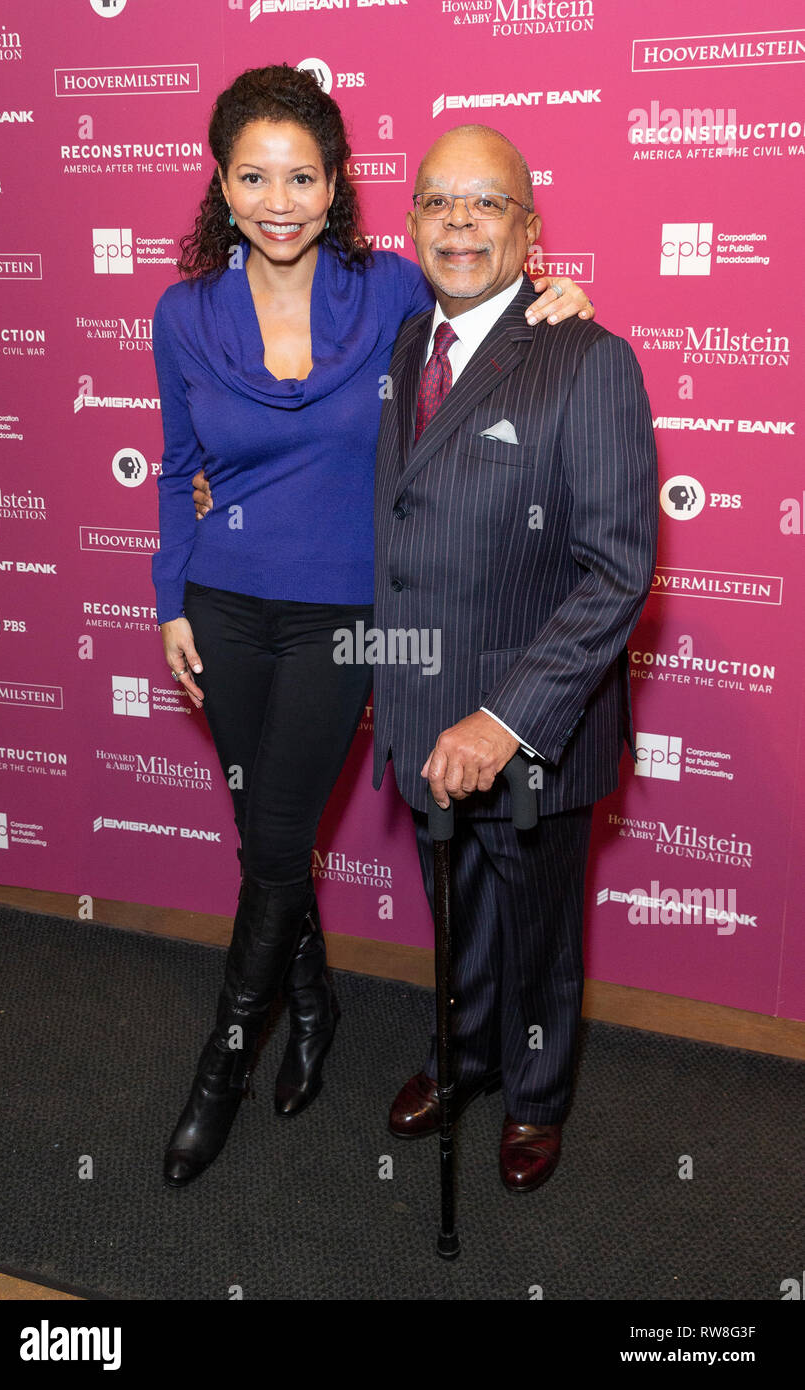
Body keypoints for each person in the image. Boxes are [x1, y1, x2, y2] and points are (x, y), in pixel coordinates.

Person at [154, 64, 593, 1188]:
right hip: (225, 608)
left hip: (349, 617)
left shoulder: (390, 288)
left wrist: (560, 299)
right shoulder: (184, 311)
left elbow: (490, 315)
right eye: (253, 175)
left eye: (302, 174)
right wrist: (168, 598)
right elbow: (177, 469)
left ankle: (221, 1066)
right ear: (221, 180)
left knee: (267, 842)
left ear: (340, 180)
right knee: (272, 836)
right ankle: (313, 1001)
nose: (279, 197)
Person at [372, 124, 659, 1192]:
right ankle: (465, 1057)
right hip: (417, 712)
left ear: (529, 229)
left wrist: (502, 719)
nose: (458, 221)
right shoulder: (408, 348)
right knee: (458, 914)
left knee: (535, 925)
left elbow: (614, 571)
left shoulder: (588, 359)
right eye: (437, 200)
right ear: (409, 223)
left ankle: (534, 1097)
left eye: (486, 203)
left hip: (530, 728)